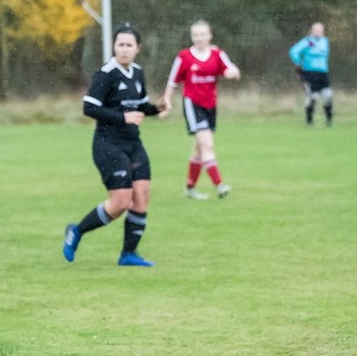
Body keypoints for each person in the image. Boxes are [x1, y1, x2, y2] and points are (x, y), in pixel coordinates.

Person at [63, 25, 166, 267]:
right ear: (114, 46)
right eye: (120, 44)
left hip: (133, 143)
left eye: (129, 45)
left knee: (141, 197)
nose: (124, 49)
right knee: (121, 201)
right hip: (107, 144)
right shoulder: (106, 73)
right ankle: (76, 230)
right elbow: (89, 108)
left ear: (137, 49)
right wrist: (123, 118)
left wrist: (157, 108)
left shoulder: (138, 73)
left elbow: (140, 107)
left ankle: (128, 254)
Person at [161, 20, 241, 199]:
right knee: (207, 145)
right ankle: (219, 185)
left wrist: (232, 72)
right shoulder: (184, 57)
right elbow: (173, 81)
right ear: (192, 37)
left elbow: (233, 69)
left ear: (209, 35)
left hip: (211, 105)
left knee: (199, 149)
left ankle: (190, 189)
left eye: (202, 34)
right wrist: (167, 101)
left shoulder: (217, 54)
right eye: (195, 35)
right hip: (193, 104)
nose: (199, 38)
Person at [289, 22, 332, 126]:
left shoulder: (325, 41)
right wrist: (298, 63)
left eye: (320, 30)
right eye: (316, 30)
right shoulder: (308, 41)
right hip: (310, 73)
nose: (318, 32)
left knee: (328, 95)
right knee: (313, 96)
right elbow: (293, 51)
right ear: (312, 31)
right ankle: (309, 121)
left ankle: (329, 121)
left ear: (323, 31)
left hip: (323, 73)